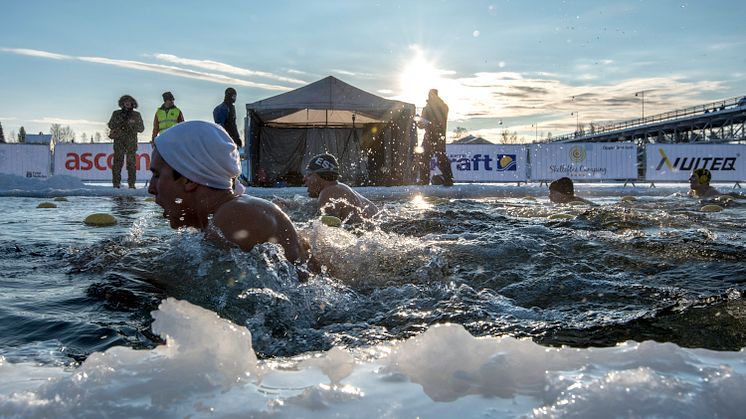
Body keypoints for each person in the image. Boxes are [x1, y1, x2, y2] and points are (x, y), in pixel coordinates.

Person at [148, 120, 310, 264]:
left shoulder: (236, 215)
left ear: (189, 179)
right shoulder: (232, 212)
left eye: (157, 175)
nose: (151, 188)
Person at [303, 153, 378, 224]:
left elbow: (328, 232)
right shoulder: (340, 189)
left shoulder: (328, 193)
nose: (304, 179)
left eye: (309, 174)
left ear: (319, 175)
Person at [107, 94, 144, 188]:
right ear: (122, 103)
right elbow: (110, 125)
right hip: (119, 142)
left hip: (131, 142)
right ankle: (116, 184)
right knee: (117, 164)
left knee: (131, 164)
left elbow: (141, 128)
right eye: (125, 101)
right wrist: (119, 124)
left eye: (129, 101)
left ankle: (131, 184)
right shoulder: (116, 113)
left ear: (132, 103)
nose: (127, 103)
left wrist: (132, 125)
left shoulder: (136, 115)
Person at [417, 89, 453, 186]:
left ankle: (424, 180)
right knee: (439, 157)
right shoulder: (444, 107)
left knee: (425, 158)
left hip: (431, 136)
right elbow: (423, 124)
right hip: (439, 137)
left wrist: (420, 122)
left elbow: (422, 125)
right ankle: (448, 179)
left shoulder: (429, 108)